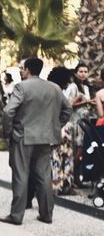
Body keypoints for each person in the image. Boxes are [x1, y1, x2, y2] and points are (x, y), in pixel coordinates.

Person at [0, 57, 72, 225]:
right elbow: (67, 109)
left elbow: (8, 111)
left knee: (20, 174)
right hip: (46, 137)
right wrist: (56, 125)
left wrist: (8, 132)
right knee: (44, 175)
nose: (21, 71)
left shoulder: (21, 87)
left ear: (28, 70)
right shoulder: (54, 88)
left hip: (23, 136)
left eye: (22, 68)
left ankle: (16, 215)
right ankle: (46, 214)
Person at [47, 66, 76, 195]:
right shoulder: (59, 91)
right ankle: (67, 184)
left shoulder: (50, 90)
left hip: (56, 127)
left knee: (55, 158)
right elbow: (68, 109)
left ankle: (55, 185)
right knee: (67, 157)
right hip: (66, 127)